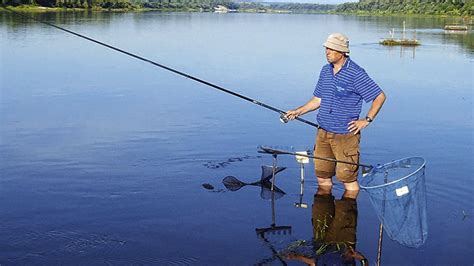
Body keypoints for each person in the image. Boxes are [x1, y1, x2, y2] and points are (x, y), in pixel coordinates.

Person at [285, 33, 386, 191]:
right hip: (323, 133)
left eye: (332, 49)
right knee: (322, 177)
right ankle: (324, 213)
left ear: (342, 51)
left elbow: (379, 96)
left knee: (348, 180)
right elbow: (318, 99)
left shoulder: (355, 73)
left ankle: (346, 213)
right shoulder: (325, 71)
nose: (327, 52)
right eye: (326, 48)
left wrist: (367, 120)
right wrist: (298, 111)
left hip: (345, 136)